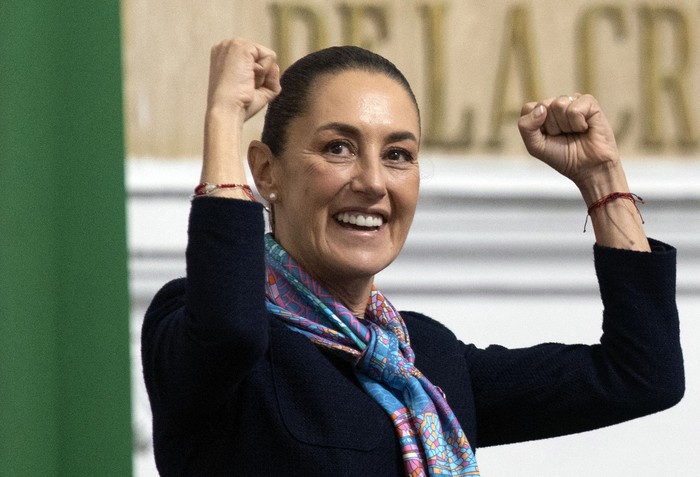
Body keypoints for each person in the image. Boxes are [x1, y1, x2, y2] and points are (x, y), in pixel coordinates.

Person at [141, 38, 684, 476]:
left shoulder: (424, 360)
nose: (374, 182)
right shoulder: (199, 330)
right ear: (265, 172)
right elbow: (232, 327)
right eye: (338, 147)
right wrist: (222, 119)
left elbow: (641, 374)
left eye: (398, 155)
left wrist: (602, 179)